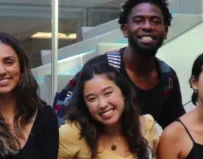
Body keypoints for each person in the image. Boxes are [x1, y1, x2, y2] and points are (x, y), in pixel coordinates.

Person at [53, 0, 184, 129]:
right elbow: (65, 124)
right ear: (125, 30)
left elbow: (178, 130)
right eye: (138, 21)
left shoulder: (167, 77)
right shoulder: (99, 69)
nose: (147, 26)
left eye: (155, 21)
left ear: (165, 31)